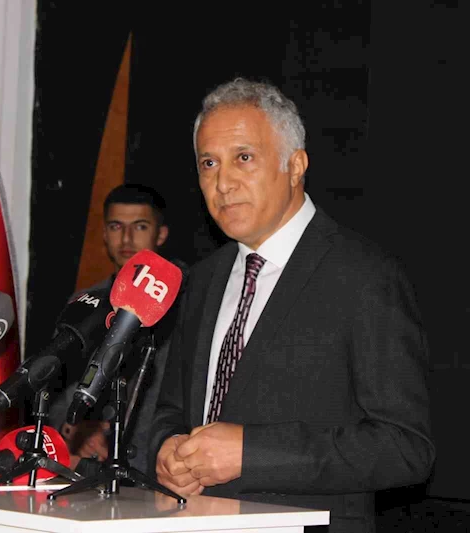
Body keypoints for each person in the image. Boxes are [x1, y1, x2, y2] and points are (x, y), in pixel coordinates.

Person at [149, 78, 435, 533]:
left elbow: (404, 448)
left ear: (295, 165)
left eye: (244, 157)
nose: (223, 183)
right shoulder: (201, 280)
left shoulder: (363, 275)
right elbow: (172, 409)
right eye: (209, 163)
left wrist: (251, 454)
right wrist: (167, 450)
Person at [49, 183, 182, 475]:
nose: (126, 238)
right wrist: (75, 427)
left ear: (161, 234)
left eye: (140, 226)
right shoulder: (87, 301)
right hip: (94, 468)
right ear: (105, 234)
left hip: (167, 465)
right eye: (116, 226)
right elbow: (59, 386)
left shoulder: (189, 296)